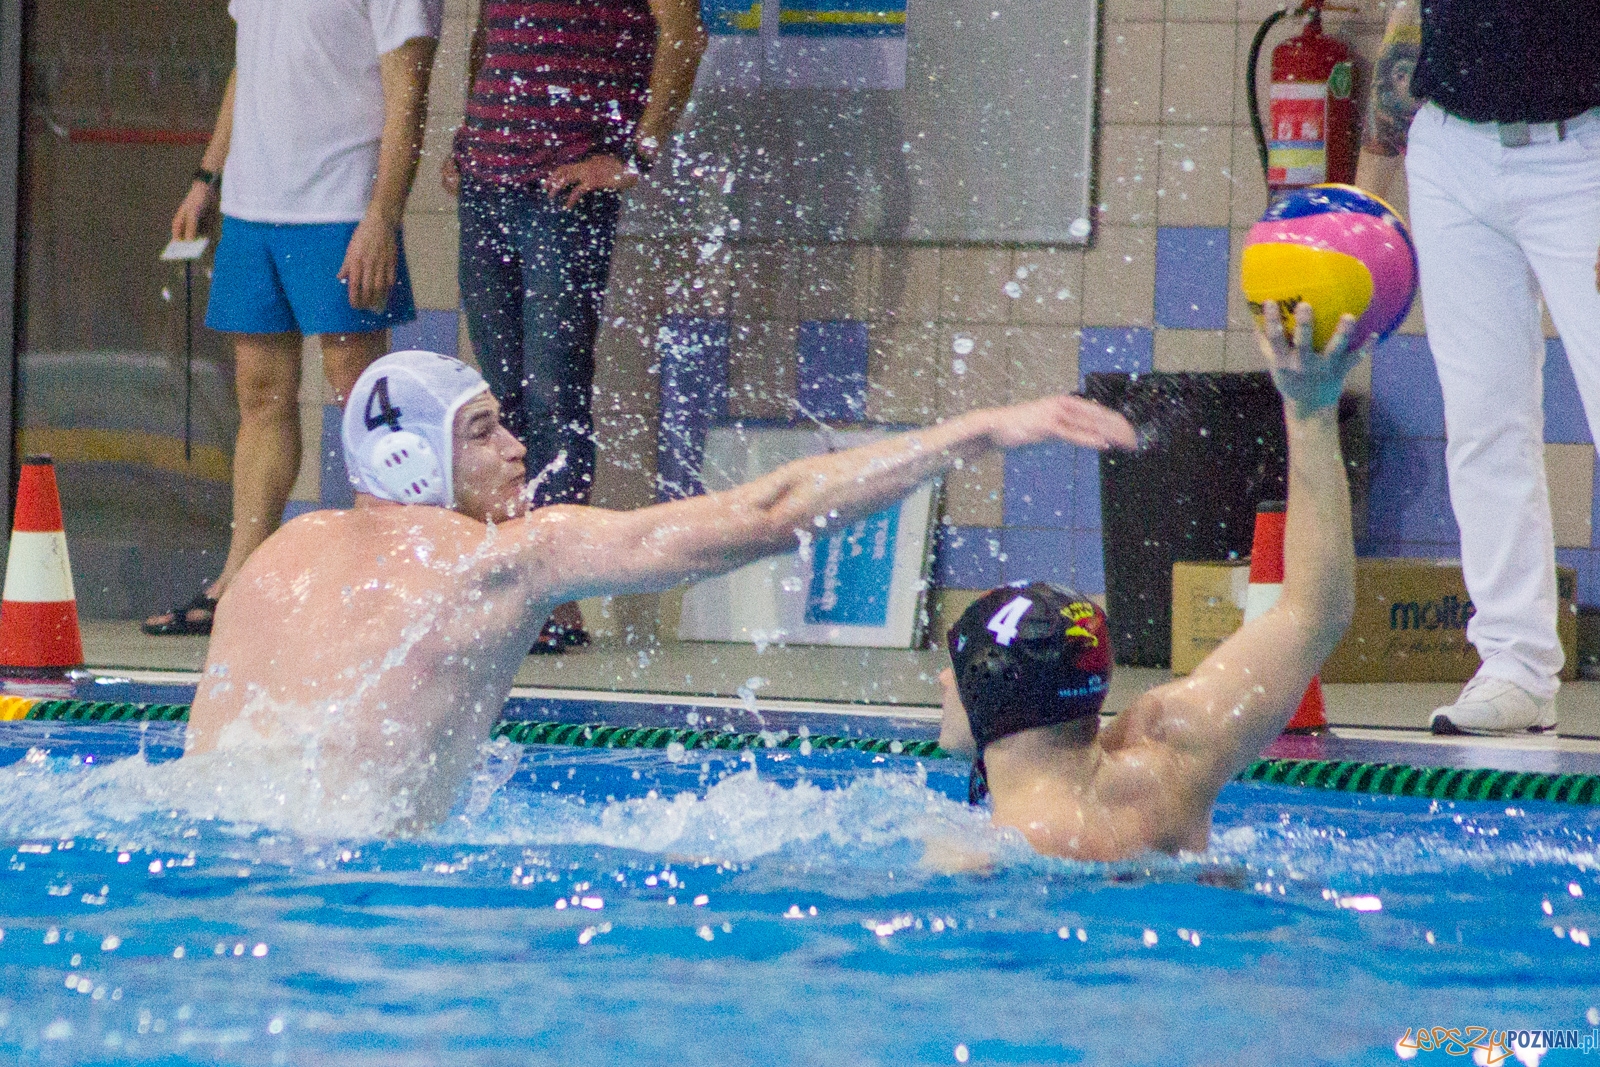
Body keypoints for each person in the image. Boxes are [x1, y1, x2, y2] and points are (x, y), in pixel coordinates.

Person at [184, 349, 1139, 834]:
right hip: (363, 892)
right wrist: (979, 431)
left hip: (214, 851)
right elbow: (768, 513)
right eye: (480, 432)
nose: (516, 447)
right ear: (409, 457)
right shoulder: (503, 558)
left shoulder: (271, 557)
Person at [936, 302, 1363, 862]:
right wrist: (1310, 410)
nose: (943, 680)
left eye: (956, 666)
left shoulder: (988, 855)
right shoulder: (1171, 757)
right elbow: (1312, 614)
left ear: (989, 692)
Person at [144, 0, 441, 636]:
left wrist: (382, 216)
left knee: (362, 399)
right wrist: (207, 176)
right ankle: (241, 579)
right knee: (260, 396)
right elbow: (247, 67)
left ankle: (382, 583)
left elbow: (409, 95)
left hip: (340, 203)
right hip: (252, 206)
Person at [1356, 0, 1600, 734]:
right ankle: (1516, 663)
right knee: (1482, 420)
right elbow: (1412, 22)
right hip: (1450, 152)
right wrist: (1365, 200)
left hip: (1583, 150)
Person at [440, 0, 707, 651]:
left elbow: (685, 35)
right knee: (499, 403)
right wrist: (470, 135)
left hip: (564, 191)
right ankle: (510, 585)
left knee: (554, 395)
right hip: (486, 184)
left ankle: (555, 596)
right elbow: (489, 33)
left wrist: (636, 157)